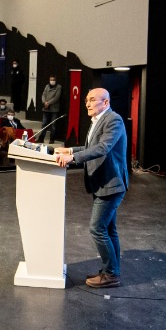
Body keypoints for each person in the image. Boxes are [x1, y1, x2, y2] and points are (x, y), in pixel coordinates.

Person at [54, 88, 129, 288]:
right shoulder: (97, 120)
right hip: (103, 183)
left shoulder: (114, 120)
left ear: (105, 102)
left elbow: (103, 147)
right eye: (86, 100)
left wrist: (73, 158)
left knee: (97, 228)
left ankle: (111, 274)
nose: (87, 103)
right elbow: (90, 147)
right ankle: (110, 270)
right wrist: (70, 149)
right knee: (109, 229)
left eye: (92, 100)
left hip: (111, 184)